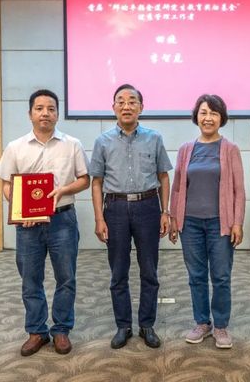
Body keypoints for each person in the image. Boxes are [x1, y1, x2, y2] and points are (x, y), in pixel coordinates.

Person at [0, 89, 90, 356]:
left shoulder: (72, 144)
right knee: (30, 279)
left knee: (66, 277)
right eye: (39, 108)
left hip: (62, 220)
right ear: (30, 114)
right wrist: (20, 210)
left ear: (57, 114)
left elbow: (85, 180)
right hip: (28, 226)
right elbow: (6, 183)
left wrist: (64, 190)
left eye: (51, 108)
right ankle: (36, 331)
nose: (45, 113)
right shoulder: (15, 147)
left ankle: (61, 330)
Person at [90, 83, 173, 349]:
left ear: (141, 107)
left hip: (148, 207)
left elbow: (163, 177)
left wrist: (165, 211)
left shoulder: (154, 138)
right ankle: (123, 326)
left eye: (132, 101)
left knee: (149, 270)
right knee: (118, 272)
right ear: (113, 107)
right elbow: (96, 182)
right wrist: (99, 218)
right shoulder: (102, 141)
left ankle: (147, 325)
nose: (126, 106)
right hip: (114, 209)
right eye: (121, 101)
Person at [169, 94, 245, 349]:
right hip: (190, 224)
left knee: (221, 276)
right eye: (203, 112)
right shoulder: (185, 150)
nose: (208, 118)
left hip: (220, 224)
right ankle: (202, 322)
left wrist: (237, 222)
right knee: (196, 275)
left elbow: (238, 190)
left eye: (213, 113)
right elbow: (177, 188)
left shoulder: (230, 149)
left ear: (221, 118)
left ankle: (221, 325)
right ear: (196, 116)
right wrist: (174, 218)